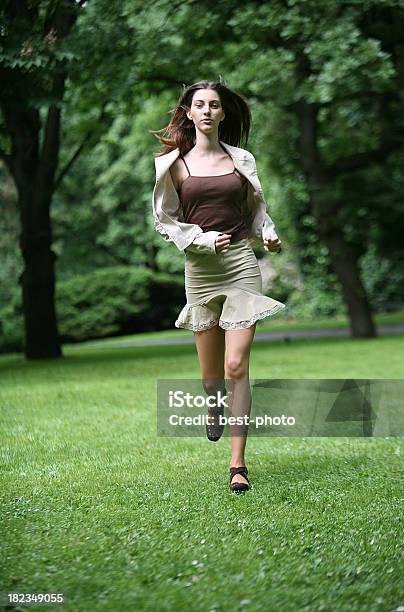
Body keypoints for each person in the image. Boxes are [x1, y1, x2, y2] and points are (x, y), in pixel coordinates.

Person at [151, 78, 285, 493]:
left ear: (222, 113)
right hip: (200, 271)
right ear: (188, 114)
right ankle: (213, 404)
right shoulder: (173, 165)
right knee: (212, 377)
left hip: (242, 265)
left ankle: (237, 465)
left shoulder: (242, 159)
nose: (207, 111)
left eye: (214, 105)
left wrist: (268, 232)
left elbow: (257, 208)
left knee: (235, 367)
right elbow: (165, 221)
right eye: (200, 105)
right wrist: (201, 239)